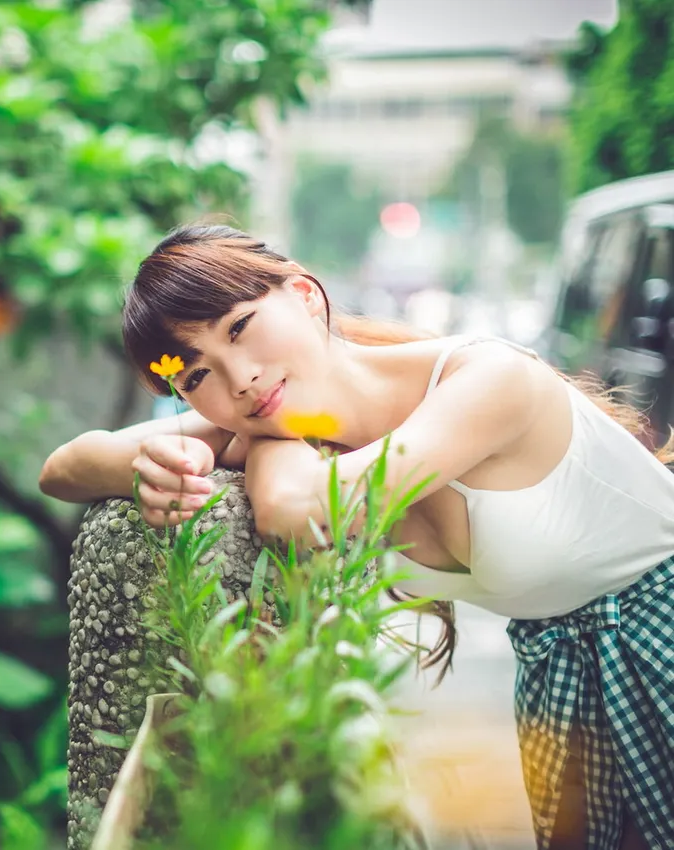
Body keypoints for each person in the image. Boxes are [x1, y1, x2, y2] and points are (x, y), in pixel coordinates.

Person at [38, 224, 674, 850]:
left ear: (304, 295)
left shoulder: (492, 381)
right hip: (570, 673)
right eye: (196, 376)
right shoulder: (291, 424)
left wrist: (253, 442)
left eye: (240, 328)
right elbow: (64, 467)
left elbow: (297, 512)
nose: (240, 379)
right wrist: (154, 467)